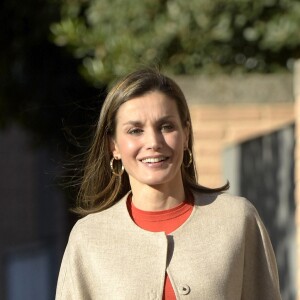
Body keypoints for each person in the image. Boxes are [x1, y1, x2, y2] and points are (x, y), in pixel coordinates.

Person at [55, 68, 281, 299]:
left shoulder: (237, 219)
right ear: (113, 146)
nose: (153, 142)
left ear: (185, 134)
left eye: (166, 126)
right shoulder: (89, 237)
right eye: (135, 130)